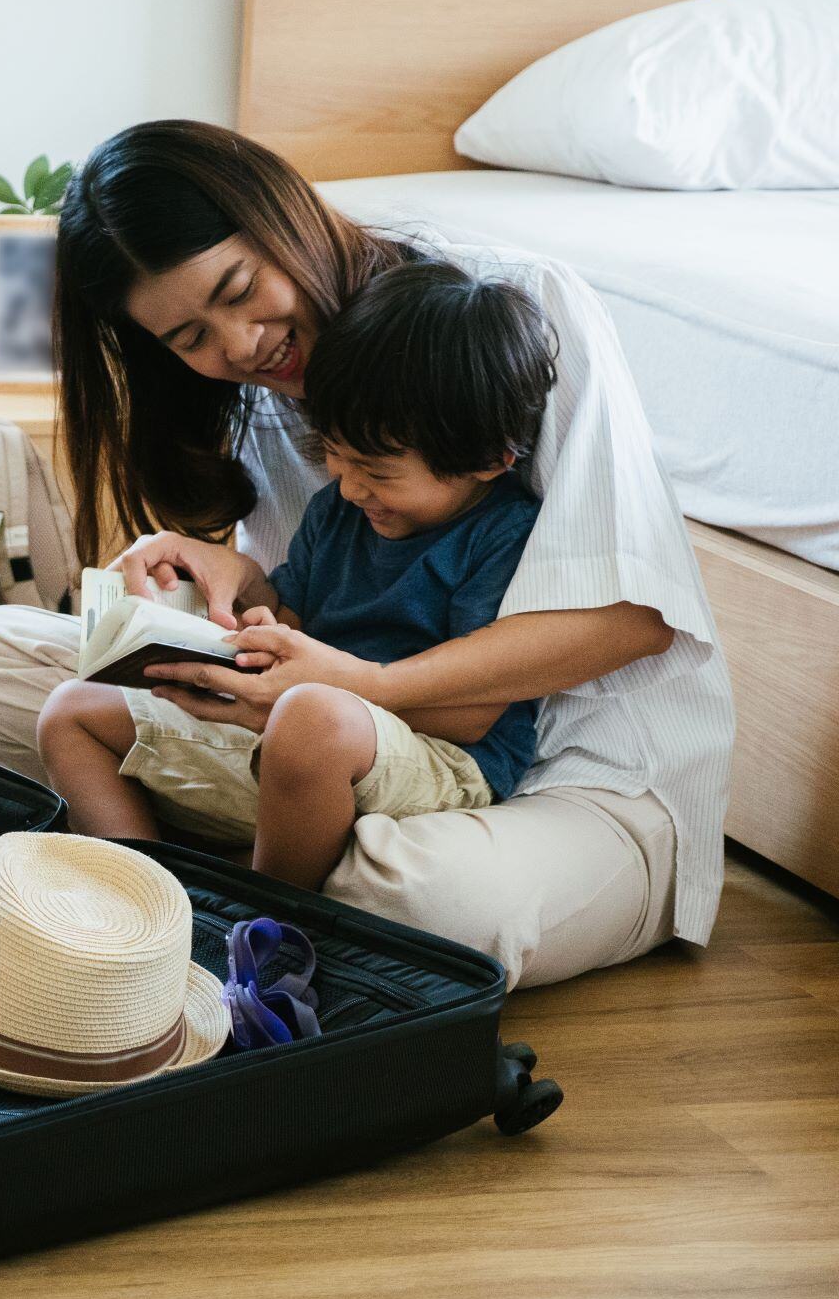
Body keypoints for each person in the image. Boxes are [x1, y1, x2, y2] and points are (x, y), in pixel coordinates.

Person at [0, 119, 733, 990]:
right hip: (321, 737)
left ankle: (260, 883)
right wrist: (226, 582)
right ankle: (226, 873)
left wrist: (363, 689)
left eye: (239, 289)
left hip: (565, 784)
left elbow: (633, 620)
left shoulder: (515, 310)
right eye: (189, 339)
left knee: (439, 902)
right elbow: (296, 610)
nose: (239, 346)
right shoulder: (264, 390)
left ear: (283, 214)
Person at [37, 259, 553, 892]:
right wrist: (248, 632)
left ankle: (273, 923)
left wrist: (307, 695)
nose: (349, 483)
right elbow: (292, 618)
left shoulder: (504, 533)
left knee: (312, 719)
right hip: (294, 729)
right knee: (70, 711)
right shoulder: (340, 506)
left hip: (437, 753)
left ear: (488, 460)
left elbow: (471, 718)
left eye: (378, 470)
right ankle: (145, 902)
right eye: (333, 453)